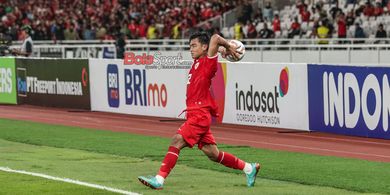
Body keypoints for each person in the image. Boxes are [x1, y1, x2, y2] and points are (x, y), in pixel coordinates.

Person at [137, 32, 261, 190]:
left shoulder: (207, 63)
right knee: (213, 154)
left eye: (194, 46)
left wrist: (228, 46)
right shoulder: (198, 62)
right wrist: (222, 51)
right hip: (196, 114)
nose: (191, 49)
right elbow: (213, 47)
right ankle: (249, 168)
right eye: (189, 46)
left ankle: (159, 179)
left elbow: (215, 38)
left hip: (199, 114)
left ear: (204, 47)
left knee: (177, 140)